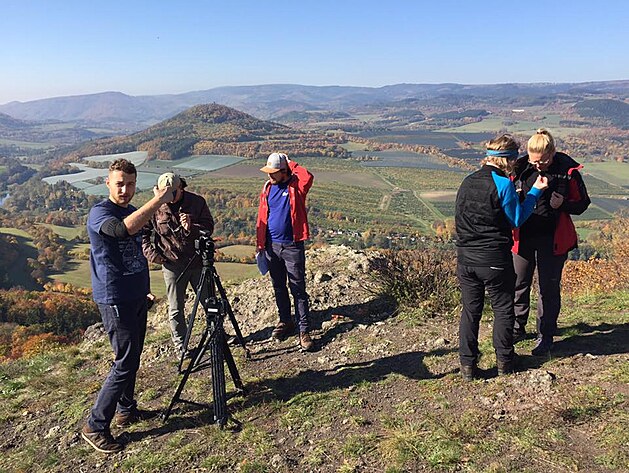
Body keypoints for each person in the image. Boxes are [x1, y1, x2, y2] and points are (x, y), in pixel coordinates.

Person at [82, 159, 174, 453]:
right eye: (119, 183)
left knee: (133, 357)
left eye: (131, 184)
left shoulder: (132, 211)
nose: (125, 189)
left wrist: (144, 291)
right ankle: (95, 425)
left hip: (135, 295)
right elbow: (122, 231)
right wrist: (158, 200)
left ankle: (126, 409)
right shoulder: (101, 213)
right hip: (114, 297)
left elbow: (139, 249)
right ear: (107, 183)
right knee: (125, 362)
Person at [455, 134, 548, 380]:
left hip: (466, 259)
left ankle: (467, 366)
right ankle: (505, 362)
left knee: (470, 311)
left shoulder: (467, 181)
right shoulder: (503, 184)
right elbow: (516, 220)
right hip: (494, 258)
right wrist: (534, 194)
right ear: (508, 159)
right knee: (504, 309)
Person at [512, 129, 590, 355]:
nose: (539, 166)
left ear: (553, 152)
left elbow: (583, 203)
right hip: (523, 237)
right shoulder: (519, 168)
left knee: (548, 287)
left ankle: (545, 334)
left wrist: (563, 204)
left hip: (553, 238)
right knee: (519, 283)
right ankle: (517, 328)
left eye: (543, 161)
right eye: (534, 161)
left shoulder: (567, 170)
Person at [142, 172, 214, 357]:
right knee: (175, 308)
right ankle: (181, 346)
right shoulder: (155, 207)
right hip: (172, 264)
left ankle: (216, 335)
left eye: (171, 193)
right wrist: (153, 255)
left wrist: (192, 227)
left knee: (209, 301)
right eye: (163, 194)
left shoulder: (197, 202)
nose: (168, 198)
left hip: (198, 262)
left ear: (181, 188)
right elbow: (143, 235)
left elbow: (208, 228)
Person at [256, 152, 315, 351]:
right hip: (272, 246)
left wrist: (291, 162)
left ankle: (303, 329)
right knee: (278, 286)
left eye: (274, 172)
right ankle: (285, 320)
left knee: (297, 289)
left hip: (291, 245)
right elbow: (262, 216)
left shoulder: (296, 187)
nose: (269, 176)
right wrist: (260, 244)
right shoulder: (267, 188)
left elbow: (308, 176)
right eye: (268, 172)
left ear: (284, 171)